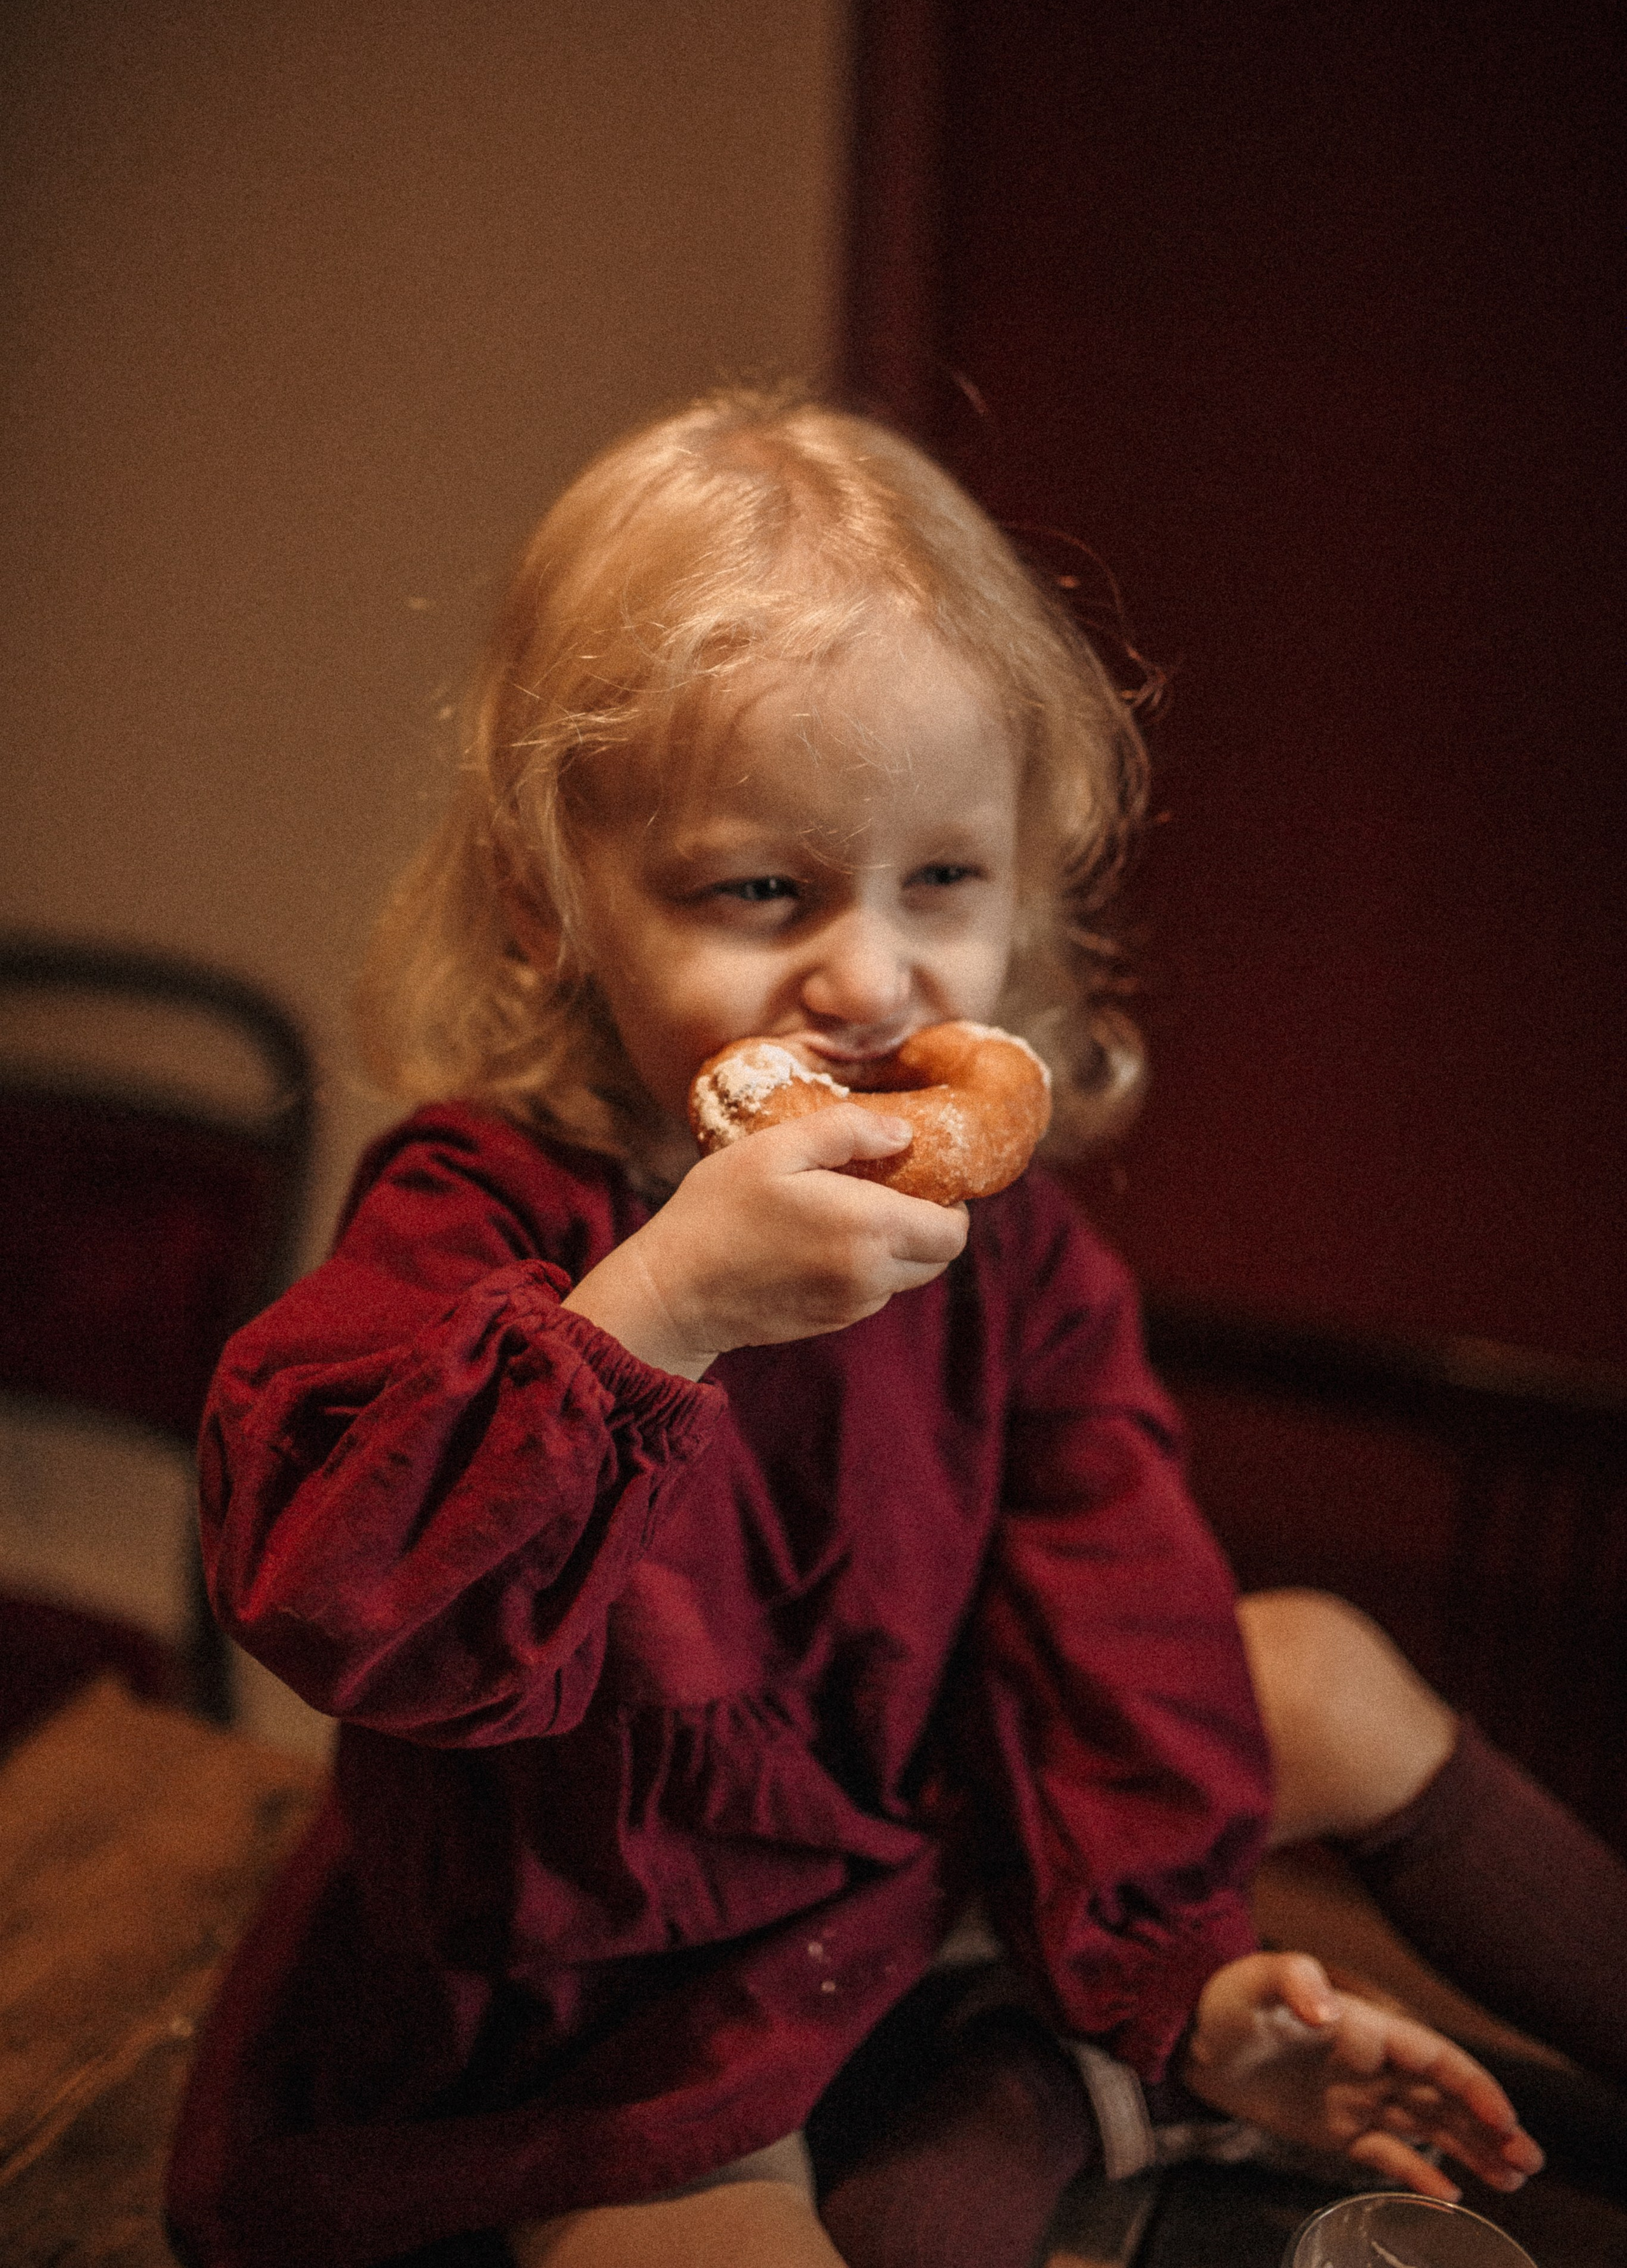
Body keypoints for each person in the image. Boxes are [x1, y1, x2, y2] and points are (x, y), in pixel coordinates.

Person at [168, 392, 1579, 2268]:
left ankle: (1076, 2050)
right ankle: (1006, 2095)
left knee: (1301, 1660)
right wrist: (651, 1318)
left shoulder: (1016, 1252)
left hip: (895, 1846)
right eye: (762, 889)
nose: (869, 973)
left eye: (942, 882)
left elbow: (1111, 1607)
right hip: (604, 1978)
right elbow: (341, 1592)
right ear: (546, 907)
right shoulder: (487, 1204)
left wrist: (1190, 1979)